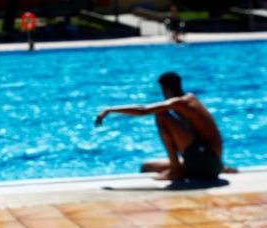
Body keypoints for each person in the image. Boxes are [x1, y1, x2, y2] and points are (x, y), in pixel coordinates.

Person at [95, 72, 235, 180]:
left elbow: (143, 109)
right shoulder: (191, 99)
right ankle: (182, 168)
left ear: (166, 89)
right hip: (210, 163)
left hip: (207, 161)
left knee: (162, 115)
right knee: (147, 167)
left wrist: (110, 109)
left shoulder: (182, 103)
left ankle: (176, 170)